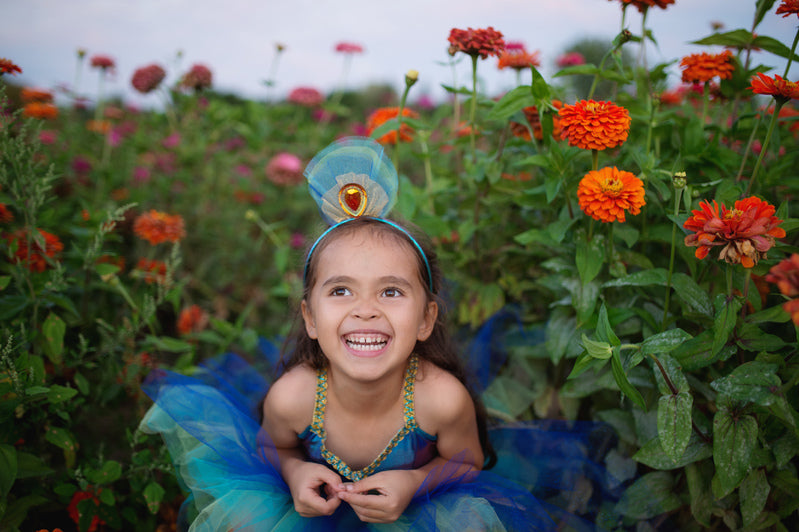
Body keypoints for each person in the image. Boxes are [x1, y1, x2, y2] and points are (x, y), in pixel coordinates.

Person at [141, 137, 619, 531]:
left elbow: (468, 462)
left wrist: (416, 484)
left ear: (426, 319)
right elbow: (273, 447)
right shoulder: (292, 397)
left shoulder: (442, 399)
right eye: (341, 291)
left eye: (391, 292)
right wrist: (294, 471)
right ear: (310, 317)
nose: (365, 311)